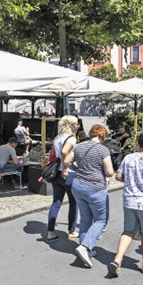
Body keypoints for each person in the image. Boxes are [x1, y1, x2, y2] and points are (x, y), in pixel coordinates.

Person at [110, 131, 143, 277]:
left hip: (129, 200)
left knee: (128, 231)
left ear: (138, 144)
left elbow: (119, 176)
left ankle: (118, 259)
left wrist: (130, 181)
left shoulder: (128, 158)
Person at [67, 124, 114, 268]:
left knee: (86, 218)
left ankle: (85, 248)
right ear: (102, 135)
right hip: (95, 189)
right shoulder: (103, 150)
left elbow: (66, 161)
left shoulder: (79, 146)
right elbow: (109, 172)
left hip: (78, 186)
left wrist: (78, 168)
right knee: (101, 220)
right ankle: (85, 247)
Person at [45, 115, 79, 243]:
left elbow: (54, 153)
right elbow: (65, 152)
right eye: (75, 124)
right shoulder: (71, 139)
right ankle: (72, 230)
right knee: (73, 202)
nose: (77, 126)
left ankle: (50, 232)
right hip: (68, 173)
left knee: (56, 202)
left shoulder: (57, 138)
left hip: (56, 174)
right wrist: (65, 167)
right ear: (69, 125)